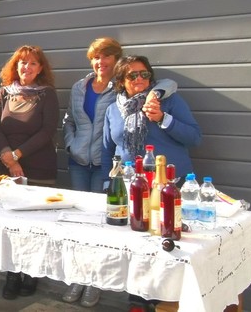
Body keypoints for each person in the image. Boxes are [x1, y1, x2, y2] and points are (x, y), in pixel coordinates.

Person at [62, 38, 177, 307]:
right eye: (95, 57)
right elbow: (69, 118)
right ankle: (79, 277)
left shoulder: (124, 88)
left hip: (107, 168)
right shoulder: (80, 87)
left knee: (102, 227)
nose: (99, 62)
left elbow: (167, 84)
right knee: (79, 226)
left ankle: (95, 282)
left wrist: (154, 95)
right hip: (79, 163)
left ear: (116, 60)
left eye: (105, 57)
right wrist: (70, 143)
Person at [0, 45, 58, 300]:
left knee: (35, 227)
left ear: (40, 68)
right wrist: (9, 158)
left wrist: (17, 155)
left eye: (32, 63)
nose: (26, 68)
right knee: (10, 226)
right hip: (7, 170)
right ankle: (12, 274)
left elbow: (47, 131)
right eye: (22, 63)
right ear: (15, 66)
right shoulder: (3, 93)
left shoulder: (47, 94)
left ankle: (31, 273)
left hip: (39, 167)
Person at [102, 55, 201, 177]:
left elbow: (194, 138)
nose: (139, 78)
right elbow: (107, 150)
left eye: (144, 74)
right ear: (121, 81)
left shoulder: (168, 100)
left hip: (169, 180)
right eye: (132, 75)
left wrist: (163, 119)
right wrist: (107, 181)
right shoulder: (112, 109)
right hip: (127, 180)